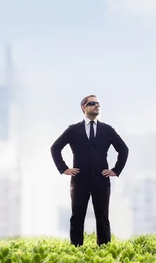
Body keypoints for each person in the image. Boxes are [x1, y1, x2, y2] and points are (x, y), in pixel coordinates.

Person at [50, 95, 129, 246]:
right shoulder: (73, 130)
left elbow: (123, 149)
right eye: (92, 103)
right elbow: (55, 147)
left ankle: (105, 250)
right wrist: (64, 168)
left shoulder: (107, 129)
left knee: (103, 218)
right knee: (77, 217)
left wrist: (116, 169)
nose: (96, 106)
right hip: (80, 180)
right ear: (83, 108)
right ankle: (76, 250)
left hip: (101, 180)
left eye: (98, 104)